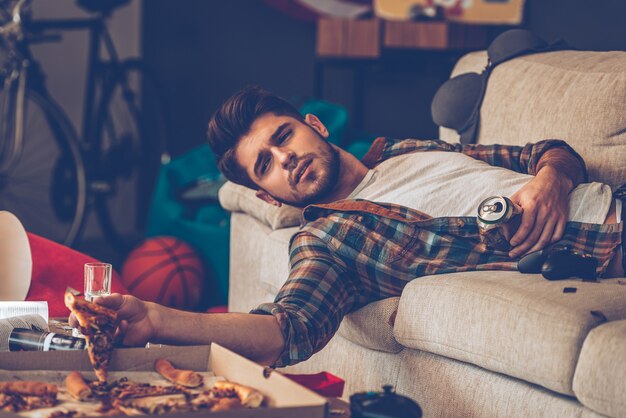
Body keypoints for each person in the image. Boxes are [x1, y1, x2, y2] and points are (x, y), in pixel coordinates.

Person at [70, 86, 624, 367]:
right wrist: (159, 318)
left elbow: (544, 150)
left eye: (283, 137)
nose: (284, 158)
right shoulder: (328, 239)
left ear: (312, 125)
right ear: (268, 194)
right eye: (266, 164)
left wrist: (550, 178)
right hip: (609, 250)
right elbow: (285, 330)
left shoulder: (407, 149)